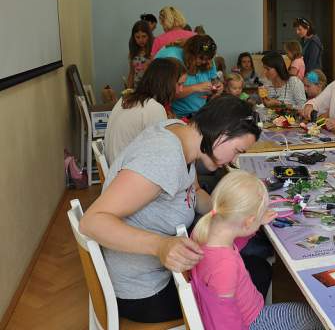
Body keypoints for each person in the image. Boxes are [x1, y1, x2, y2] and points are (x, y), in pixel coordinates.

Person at [79, 97, 261, 323]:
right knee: (256, 271)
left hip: (157, 274)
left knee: (242, 260)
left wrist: (234, 210)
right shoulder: (163, 157)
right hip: (145, 292)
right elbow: (92, 221)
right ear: (222, 134)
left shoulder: (182, 135)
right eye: (237, 151)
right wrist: (161, 245)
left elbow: (195, 193)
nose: (234, 160)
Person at [191, 170, 323, 330]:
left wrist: (257, 221)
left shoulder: (204, 233)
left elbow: (233, 245)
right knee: (316, 317)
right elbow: (225, 323)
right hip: (253, 322)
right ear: (248, 221)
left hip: (247, 311)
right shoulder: (225, 266)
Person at [105, 58, 186, 164]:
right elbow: (160, 152)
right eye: (179, 84)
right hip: (126, 169)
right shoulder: (153, 108)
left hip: (115, 166)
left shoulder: (126, 98)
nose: (181, 90)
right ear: (166, 82)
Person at [155, 35, 223, 118]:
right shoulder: (173, 58)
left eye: (208, 59)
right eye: (201, 58)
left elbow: (214, 80)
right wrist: (195, 87)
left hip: (198, 114)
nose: (204, 62)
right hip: (175, 115)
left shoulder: (208, 61)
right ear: (190, 53)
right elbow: (167, 93)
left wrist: (218, 87)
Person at [127, 20, 154, 89]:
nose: (141, 40)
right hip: (137, 89)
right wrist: (128, 90)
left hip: (151, 89)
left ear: (149, 36)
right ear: (134, 37)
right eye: (137, 37)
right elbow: (131, 73)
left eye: (144, 36)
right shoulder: (133, 53)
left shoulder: (154, 51)